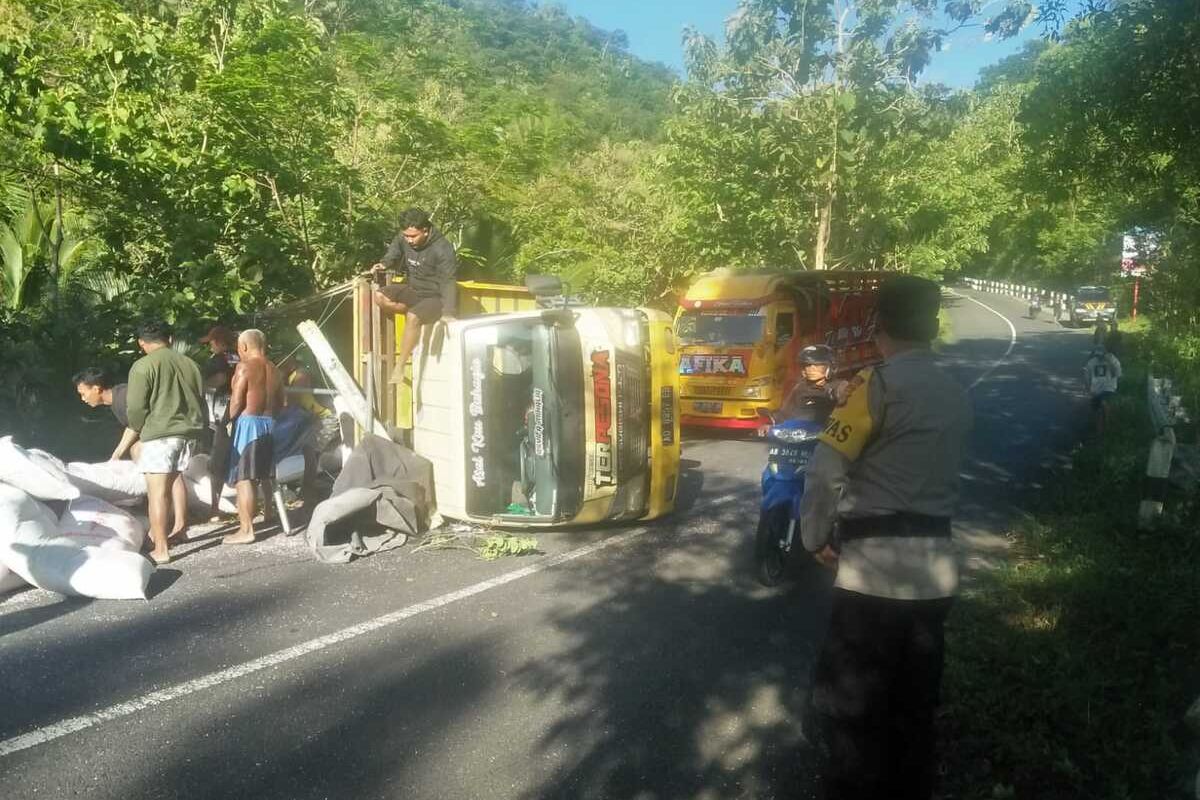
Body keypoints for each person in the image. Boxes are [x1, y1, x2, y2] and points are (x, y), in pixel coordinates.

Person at [798, 275, 972, 800]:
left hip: (873, 574)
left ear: (880, 328)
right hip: (936, 575)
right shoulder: (956, 393)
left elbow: (826, 468)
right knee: (914, 709)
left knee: (852, 713)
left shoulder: (877, 386)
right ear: (933, 325)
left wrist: (813, 536)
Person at [125, 320, 207, 565]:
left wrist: (139, 428)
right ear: (169, 339)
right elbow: (200, 399)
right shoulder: (190, 364)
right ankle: (173, 531)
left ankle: (161, 548)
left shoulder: (142, 366)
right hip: (187, 435)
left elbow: (136, 408)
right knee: (171, 485)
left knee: (157, 494)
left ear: (142, 343)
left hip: (160, 435)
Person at [370, 207, 459, 380]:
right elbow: (394, 252)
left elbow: (449, 281)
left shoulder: (443, 249)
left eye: (413, 236)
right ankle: (415, 320)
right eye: (406, 236)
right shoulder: (404, 238)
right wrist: (384, 264)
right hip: (414, 290)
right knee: (380, 296)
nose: (409, 240)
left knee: (412, 316)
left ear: (425, 231)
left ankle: (400, 367)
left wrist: (448, 313)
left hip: (436, 297)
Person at [224, 329, 283, 545]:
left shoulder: (244, 367)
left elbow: (237, 401)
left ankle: (246, 529)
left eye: (239, 348)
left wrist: (227, 422)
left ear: (245, 347)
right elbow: (281, 402)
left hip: (249, 422)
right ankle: (269, 512)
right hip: (269, 423)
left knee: (244, 477)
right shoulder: (275, 369)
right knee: (264, 472)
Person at [278, 354, 340, 508]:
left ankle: (308, 493)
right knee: (307, 451)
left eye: (282, 364)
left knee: (311, 451)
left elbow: (290, 400)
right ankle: (306, 490)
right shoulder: (292, 376)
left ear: (290, 362)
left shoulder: (301, 375)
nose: (279, 367)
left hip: (325, 417)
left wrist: (279, 382)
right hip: (312, 418)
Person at [198, 325, 240, 520]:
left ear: (219, 342)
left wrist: (201, 385)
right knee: (237, 456)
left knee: (216, 460)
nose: (210, 347)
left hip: (220, 415)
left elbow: (220, 378)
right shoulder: (237, 357)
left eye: (212, 343)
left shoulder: (218, 360)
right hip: (239, 413)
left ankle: (215, 507)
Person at [73, 367, 140, 462]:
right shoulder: (117, 398)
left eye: (83, 394)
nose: (82, 399)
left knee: (138, 450)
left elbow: (135, 424)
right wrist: (116, 456)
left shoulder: (124, 396)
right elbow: (132, 425)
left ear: (96, 389)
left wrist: (117, 455)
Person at [779, 344, 840, 423]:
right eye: (807, 365)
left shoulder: (839, 386)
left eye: (817, 365)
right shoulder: (800, 387)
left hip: (825, 432)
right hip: (799, 430)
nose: (811, 369)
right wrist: (772, 422)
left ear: (830, 367)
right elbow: (784, 413)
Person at [1084, 345, 1121, 437]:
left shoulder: (1113, 360)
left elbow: (1117, 374)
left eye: (1102, 355)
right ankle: (1099, 434)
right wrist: (1089, 389)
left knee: (1104, 404)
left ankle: (1108, 429)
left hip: (1109, 388)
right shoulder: (1091, 362)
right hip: (1096, 391)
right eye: (1097, 356)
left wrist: (1109, 361)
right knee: (1097, 412)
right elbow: (1087, 377)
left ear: (1106, 353)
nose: (1100, 358)